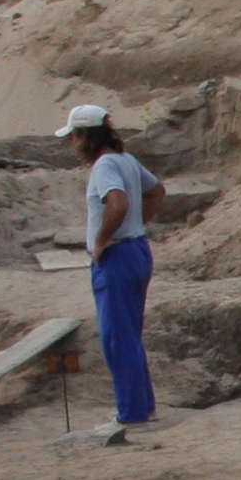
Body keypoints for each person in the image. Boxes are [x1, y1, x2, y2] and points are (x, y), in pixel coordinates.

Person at [66, 103, 163, 427]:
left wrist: (102, 240)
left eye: (73, 137)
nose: (71, 144)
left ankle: (132, 412)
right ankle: (142, 404)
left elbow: (117, 203)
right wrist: (138, 223)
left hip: (118, 256)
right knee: (129, 335)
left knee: (117, 339)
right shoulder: (126, 159)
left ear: (84, 136)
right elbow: (157, 191)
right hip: (137, 249)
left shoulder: (105, 164)